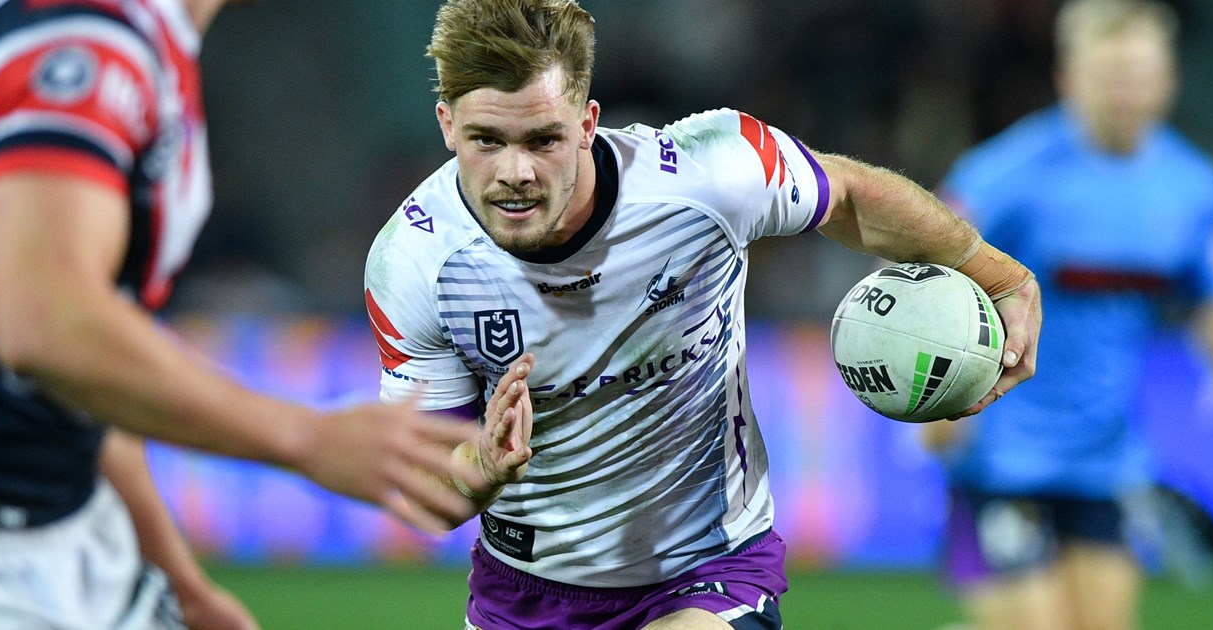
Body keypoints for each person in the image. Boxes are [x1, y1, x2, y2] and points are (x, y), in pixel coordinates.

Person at [0, 0, 485, 628]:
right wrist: (306, 437)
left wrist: (182, 586)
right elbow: (46, 326)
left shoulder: (140, 45)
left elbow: (89, 379)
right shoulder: (83, 38)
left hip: (49, 541)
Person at [361, 1, 1044, 628]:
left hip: (707, 570)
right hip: (525, 594)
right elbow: (432, 494)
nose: (516, 172)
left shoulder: (704, 175)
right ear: (446, 124)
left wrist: (1001, 276)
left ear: (588, 123)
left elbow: (849, 195)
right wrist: (481, 463)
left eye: (543, 140)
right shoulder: (415, 263)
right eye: (487, 140)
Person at [920, 2, 1213, 629]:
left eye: (1140, 76)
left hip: (1108, 456)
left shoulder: (1193, 187)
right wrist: (935, 394)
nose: (1126, 93)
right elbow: (922, 259)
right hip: (1000, 451)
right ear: (1068, 78)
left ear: (1170, 80)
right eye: (1110, 76)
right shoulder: (1007, 174)